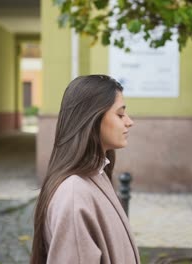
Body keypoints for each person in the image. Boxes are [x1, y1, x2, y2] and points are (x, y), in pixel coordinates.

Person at [30, 75, 139, 264]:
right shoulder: (74, 194)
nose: (129, 122)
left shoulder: (97, 174)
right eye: (120, 114)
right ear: (92, 119)